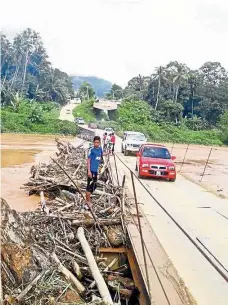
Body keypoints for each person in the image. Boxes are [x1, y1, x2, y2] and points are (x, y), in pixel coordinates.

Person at [86, 136, 108, 208]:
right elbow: (88, 161)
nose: (96, 144)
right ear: (93, 142)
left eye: (98, 142)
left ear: (99, 143)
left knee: (94, 185)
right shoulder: (91, 150)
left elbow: (101, 154)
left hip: (95, 171)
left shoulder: (100, 149)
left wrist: (107, 153)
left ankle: (87, 197)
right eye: (95, 142)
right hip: (91, 170)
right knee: (89, 186)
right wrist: (89, 171)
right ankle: (88, 201)